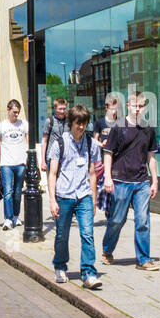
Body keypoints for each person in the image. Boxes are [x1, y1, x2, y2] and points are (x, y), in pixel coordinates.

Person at [101, 91, 160, 271]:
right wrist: (108, 178)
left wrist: (154, 180)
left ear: (145, 107)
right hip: (120, 180)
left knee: (143, 221)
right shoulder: (119, 127)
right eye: (134, 105)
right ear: (128, 106)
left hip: (141, 181)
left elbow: (151, 156)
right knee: (117, 220)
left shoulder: (148, 129)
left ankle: (144, 259)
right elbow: (108, 153)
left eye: (141, 106)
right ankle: (107, 250)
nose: (137, 109)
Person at [48, 104, 102, 289]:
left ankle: (88, 273)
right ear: (71, 122)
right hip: (64, 195)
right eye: (78, 123)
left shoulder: (91, 143)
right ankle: (60, 266)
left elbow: (93, 173)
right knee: (62, 235)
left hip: (84, 195)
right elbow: (52, 173)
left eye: (84, 123)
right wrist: (52, 200)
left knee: (87, 234)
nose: (81, 127)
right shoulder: (60, 143)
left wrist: (93, 200)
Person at [0, 99, 29, 230]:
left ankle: (16, 217)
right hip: (6, 164)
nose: (16, 115)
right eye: (14, 112)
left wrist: (28, 159)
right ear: (8, 110)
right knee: (8, 192)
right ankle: (7, 219)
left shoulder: (24, 124)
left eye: (18, 112)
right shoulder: (0, 126)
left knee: (18, 192)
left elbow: (28, 143)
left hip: (20, 163)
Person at [41, 96, 69, 177]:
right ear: (55, 108)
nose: (62, 111)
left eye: (64, 109)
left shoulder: (69, 121)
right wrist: (43, 161)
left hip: (65, 157)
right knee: (52, 183)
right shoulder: (49, 121)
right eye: (60, 109)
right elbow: (44, 141)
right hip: (51, 157)